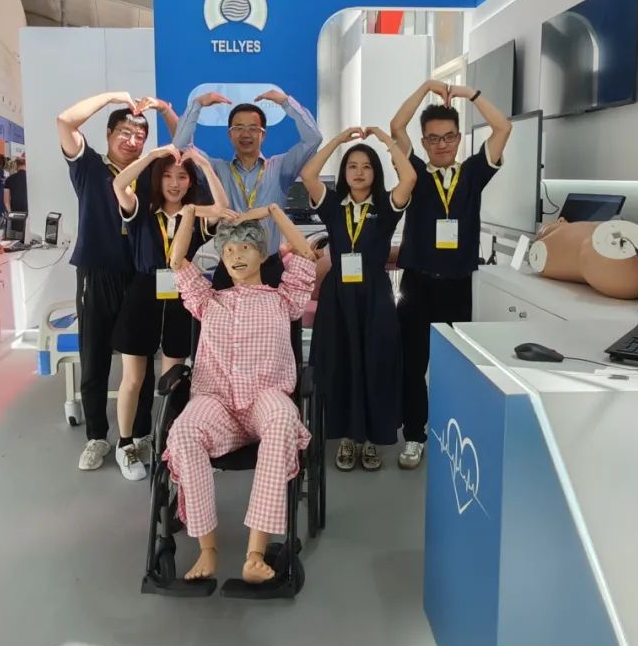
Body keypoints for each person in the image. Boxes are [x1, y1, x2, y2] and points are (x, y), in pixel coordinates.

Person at [163, 203, 316, 584]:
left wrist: (272, 211)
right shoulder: (208, 300)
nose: (236, 256)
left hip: (265, 398)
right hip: (217, 403)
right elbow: (177, 260)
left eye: (245, 247)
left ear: (262, 254)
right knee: (183, 430)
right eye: (229, 250)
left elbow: (306, 253)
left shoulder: (283, 299)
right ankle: (208, 550)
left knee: (283, 418)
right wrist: (191, 211)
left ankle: (255, 555)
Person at [389, 81, 512, 469]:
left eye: (448, 137)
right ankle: (414, 436)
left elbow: (503, 127)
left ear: (459, 138)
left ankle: (453, 434)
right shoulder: (414, 172)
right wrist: (425, 87)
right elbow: (396, 126)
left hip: (458, 286)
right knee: (412, 365)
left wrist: (468, 94)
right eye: (432, 138)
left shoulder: (474, 172)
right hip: (417, 284)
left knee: (455, 367)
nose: (441, 145)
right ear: (424, 142)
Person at [58, 91, 179, 471]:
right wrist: (113, 96)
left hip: (140, 276)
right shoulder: (89, 166)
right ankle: (97, 436)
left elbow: (182, 146)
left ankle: (139, 433)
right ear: (109, 134)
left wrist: (165, 109)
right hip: (96, 273)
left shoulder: (148, 174)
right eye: (124, 132)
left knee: (139, 359)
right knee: (94, 357)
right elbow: (65, 121)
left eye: (139, 135)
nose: (132, 140)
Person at [109, 145, 231, 481]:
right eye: (167, 176)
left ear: (190, 182)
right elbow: (119, 184)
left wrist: (203, 163)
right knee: (133, 379)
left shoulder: (195, 215)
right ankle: (125, 443)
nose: (174, 183)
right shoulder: (141, 211)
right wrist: (150, 157)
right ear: (157, 179)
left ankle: (166, 441)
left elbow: (221, 207)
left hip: (181, 297)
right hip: (141, 295)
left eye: (182, 176)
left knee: (172, 381)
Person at [301, 126, 416, 471]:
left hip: (375, 294)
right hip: (338, 295)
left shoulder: (386, 206)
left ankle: (372, 439)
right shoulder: (333, 206)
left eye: (367, 166)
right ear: (344, 172)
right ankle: (348, 438)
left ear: (375, 172)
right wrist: (338, 141)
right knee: (340, 363)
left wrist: (386, 140)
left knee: (376, 363)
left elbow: (409, 177)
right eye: (352, 166)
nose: (359, 172)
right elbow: (308, 174)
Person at [172, 89, 322, 288]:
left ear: (263, 135)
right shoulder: (217, 169)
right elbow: (181, 146)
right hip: (230, 267)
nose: (245, 134)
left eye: (253, 128)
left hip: (269, 268)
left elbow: (313, 139)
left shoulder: (281, 168)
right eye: (239, 128)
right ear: (230, 134)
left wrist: (286, 102)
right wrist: (197, 104)